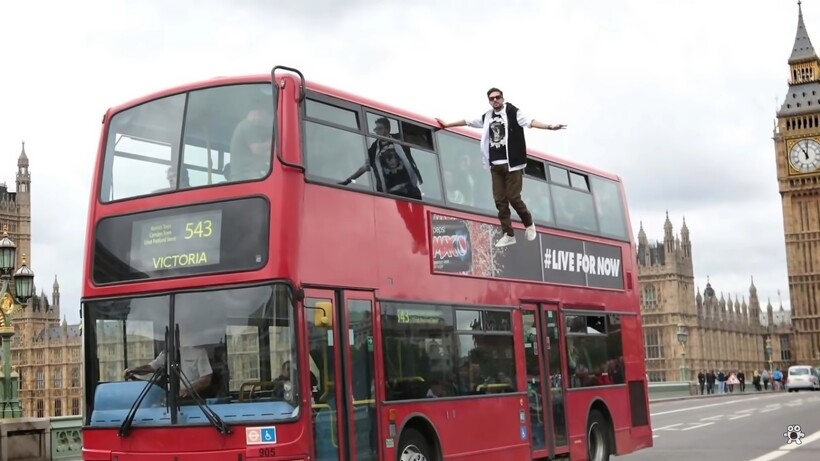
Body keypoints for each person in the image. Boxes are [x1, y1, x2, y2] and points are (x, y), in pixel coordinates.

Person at [436, 88, 566, 247]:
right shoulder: (487, 116)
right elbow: (468, 121)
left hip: (512, 164)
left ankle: (529, 223)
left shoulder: (513, 112)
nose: (495, 100)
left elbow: (531, 121)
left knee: (513, 197)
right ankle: (508, 234)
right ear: (489, 101)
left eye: (498, 97)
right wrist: (448, 124)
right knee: (499, 200)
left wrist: (550, 126)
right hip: (495, 166)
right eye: (492, 99)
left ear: (503, 98)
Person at [339, 117, 423, 200]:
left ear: (387, 130)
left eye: (379, 129)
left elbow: (418, 140)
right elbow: (364, 167)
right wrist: (348, 180)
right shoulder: (374, 149)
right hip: (392, 191)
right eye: (376, 129)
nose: (377, 131)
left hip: (410, 186)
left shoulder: (399, 138)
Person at [123, 331, 213, 398]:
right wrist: (133, 371)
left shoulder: (199, 352)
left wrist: (188, 391)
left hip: (194, 399)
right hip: (170, 399)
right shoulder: (166, 354)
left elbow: (206, 380)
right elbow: (150, 367)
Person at [230, 107, 273, 181]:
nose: (264, 120)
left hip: (244, 175)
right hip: (245, 175)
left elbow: (264, 154)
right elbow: (257, 149)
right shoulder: (246, 125)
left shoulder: (248, 127)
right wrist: (272, 141)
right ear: (257, 113)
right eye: (264, 115)